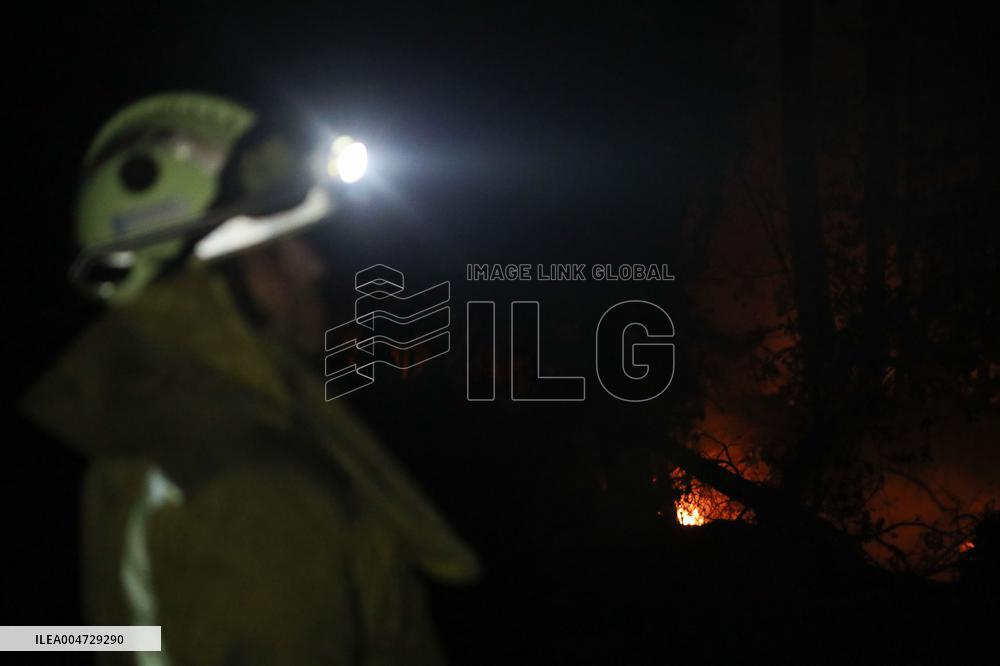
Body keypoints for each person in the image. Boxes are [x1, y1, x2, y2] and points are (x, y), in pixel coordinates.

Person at [21, 92, 478, 666]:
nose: (314, 266)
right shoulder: (246, 484)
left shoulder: (171, 435)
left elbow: (120, 636)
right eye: (274, 250)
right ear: (206, 283)